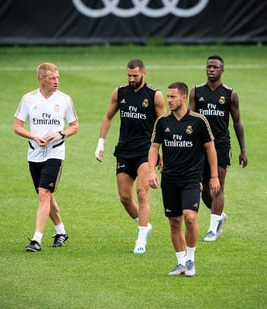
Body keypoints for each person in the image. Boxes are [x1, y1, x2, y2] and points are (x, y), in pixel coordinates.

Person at [148, 82, 220, 277]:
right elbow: (154, 147)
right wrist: (151, 171)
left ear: (183, 98)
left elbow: (210, 148)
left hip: (191, 178)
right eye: (168, 96)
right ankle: (180, 263)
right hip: (169, 178)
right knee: (174, 222)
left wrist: (213, 176)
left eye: (172, 97)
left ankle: (190, 259)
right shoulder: (162, 121)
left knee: (190, 217)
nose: (168, 100)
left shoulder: (198, 121)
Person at [95, 59, 166, 254]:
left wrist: (162, 153)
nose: (131, 79)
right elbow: (108, 116)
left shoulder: (155, 96)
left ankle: (141, 239)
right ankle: (144, 224)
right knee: (125, 197)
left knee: (142, 193)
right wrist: (101, 142)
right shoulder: (120, 92)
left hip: (146, 152)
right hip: (125, 151)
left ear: (144, 73)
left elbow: (164, 126)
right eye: (129, 75)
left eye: (135, 76)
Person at [13, 62, 79, 252]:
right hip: (34, 153)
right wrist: (33, 136)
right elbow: (17, 126)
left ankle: (36, 239)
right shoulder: (28, 99)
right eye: (52, 78)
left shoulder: (65, 100)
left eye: (57, 77)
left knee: (44, 193)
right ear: (41, 80)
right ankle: (61, 232)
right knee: (46, 196)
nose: (56, 81)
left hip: (55, 152)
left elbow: (75, 126)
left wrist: (61, 134)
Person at [189, 55, 248, 242]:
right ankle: (219, 217)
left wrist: (243, 150)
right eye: (208, 67)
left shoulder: (230, 94)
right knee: (204, 189)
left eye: (215, 67)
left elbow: (237, 122)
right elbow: (190, 119)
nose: (211, 70)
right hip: (200, 146)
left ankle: (213, 228)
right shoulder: (196, 92)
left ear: (223, 70)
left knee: (217, 186)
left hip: (221, 145)